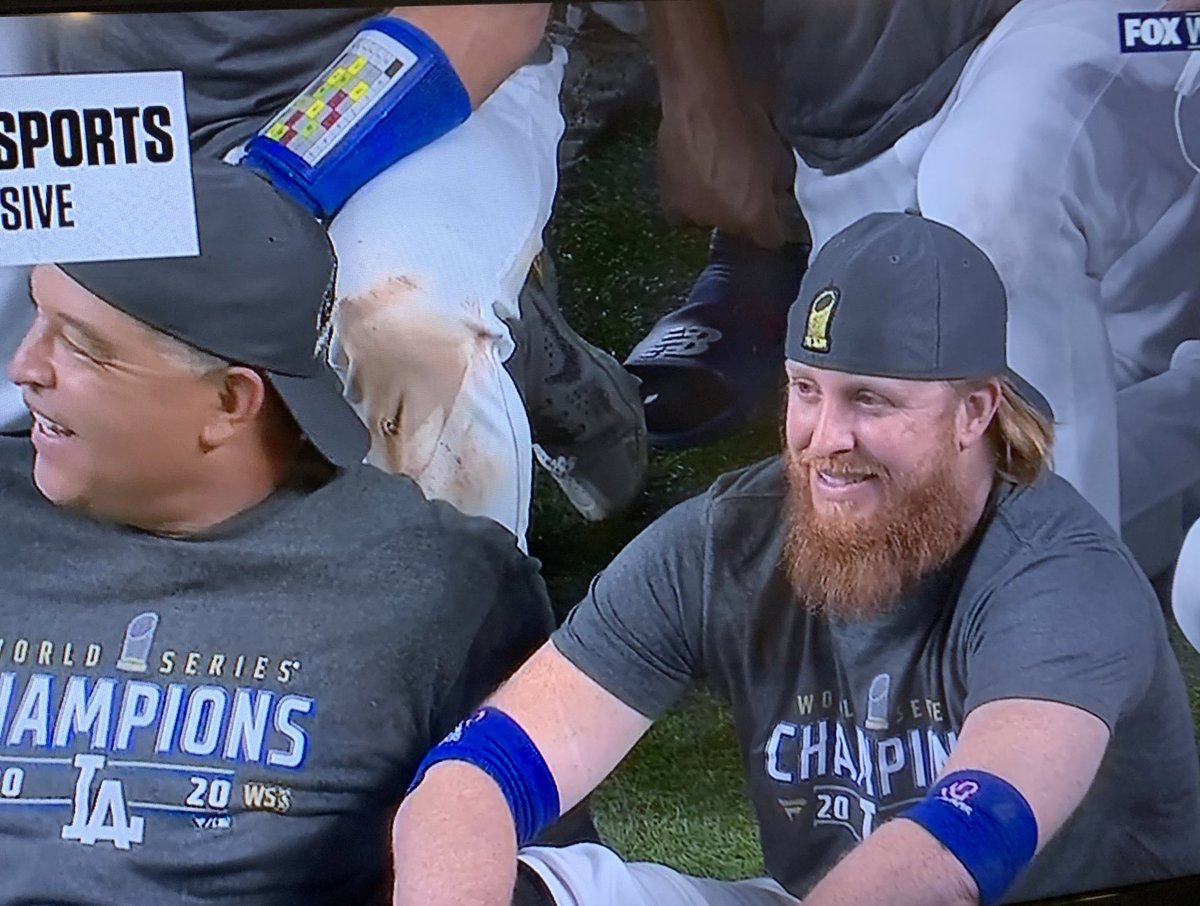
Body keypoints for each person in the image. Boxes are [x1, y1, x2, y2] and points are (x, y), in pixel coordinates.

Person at [392, 213, 1200, 906]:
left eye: (870, 400)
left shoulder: (1059, 578)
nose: (824, 440)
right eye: (806, 390)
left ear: (974, 412)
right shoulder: (728, 540)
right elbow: (476, 773)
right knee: (528, 885)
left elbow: (965, 844)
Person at [0, 158, 559, 903]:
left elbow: (529, 875)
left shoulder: (440, 593)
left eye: (81, 346)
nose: (24, 367)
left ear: (230, 403)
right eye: (37, 316)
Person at [0, 3, 647, 548]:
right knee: (56, 374)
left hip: (416, 75)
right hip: (103, 94)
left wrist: (280, 182)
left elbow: (492, 14)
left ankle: (456, 628)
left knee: (403, 322)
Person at [629, 0, 1200, 552]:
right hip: (844, 110)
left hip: (1099, 17)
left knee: (993, 192)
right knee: (910, 494)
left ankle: (1067, 600)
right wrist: (693, 86)